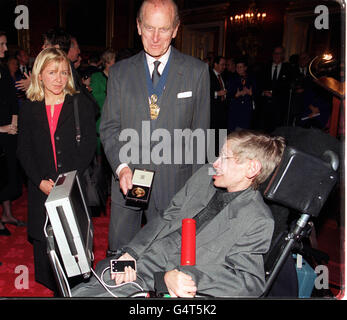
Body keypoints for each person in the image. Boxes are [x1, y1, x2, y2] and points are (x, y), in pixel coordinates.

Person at [72, 130, 285, 298]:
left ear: (251, 169)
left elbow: (250, 283)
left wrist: (187, 277)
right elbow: (167, 217)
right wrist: (132, 253)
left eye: (224, 158)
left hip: (168, 277)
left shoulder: (257, 219)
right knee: (88, 287)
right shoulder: (206, 176)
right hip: (148, 256)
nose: (216, 163)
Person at [100, 0, 210, 255]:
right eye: (149, 28)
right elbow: (109, 127)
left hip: (176, 184)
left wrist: (195, 194)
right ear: (138, 27)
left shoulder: (197, 72)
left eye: (164, 29)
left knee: (169, 258)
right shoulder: (119, 73)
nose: (156, 38)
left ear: (176, 29)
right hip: (129, 179)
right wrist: (122, 167)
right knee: (121, 256)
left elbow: (201, 137)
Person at [17, 48, 96, 292]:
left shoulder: (79, 103)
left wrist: (67, 182)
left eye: (63, 72)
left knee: (73, 248)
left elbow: (90, 145)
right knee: (47, 248)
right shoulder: (30, 108)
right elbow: (24, 150)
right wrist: (39, 180)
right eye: (52, 72)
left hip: (72, 187)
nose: (59, 78)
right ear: (39, 75)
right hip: (41, 186)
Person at [0, 31, 24, 236]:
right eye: (2, 44)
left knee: (8, 174)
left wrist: (14, 122)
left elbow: (12, 97)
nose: (5, 49)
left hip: (9, 130)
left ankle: (6, 213)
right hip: (1, 130)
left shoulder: (2, 68)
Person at [257, 46, 292, 133]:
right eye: (275, 53)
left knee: (277, 132)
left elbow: (287, 88)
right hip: (264, 106)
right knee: (263, 132)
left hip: (279, 107)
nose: (276, 55)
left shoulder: (288, 69)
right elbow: (258, 84)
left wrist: (275, 94)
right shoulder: (265, 67)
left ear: (283, 55)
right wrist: (263, 92)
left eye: (279, 53)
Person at [90, 48, 116, 155]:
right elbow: (95, 98)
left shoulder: (117, 77)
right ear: (108, 62)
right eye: (114, 60)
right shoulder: (97, 77)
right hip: (101, 118)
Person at [226, 58, 257, 132]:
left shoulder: (252, 78)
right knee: (233, 135)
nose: (238, 69)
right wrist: (236, 95)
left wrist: (251, 93)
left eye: (241, 67)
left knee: (244, 135)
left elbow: (258, 92)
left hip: (246, 111)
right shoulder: (231, 78)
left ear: (245, 68)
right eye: (237, 67)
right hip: (235, 110)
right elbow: (228, 94)